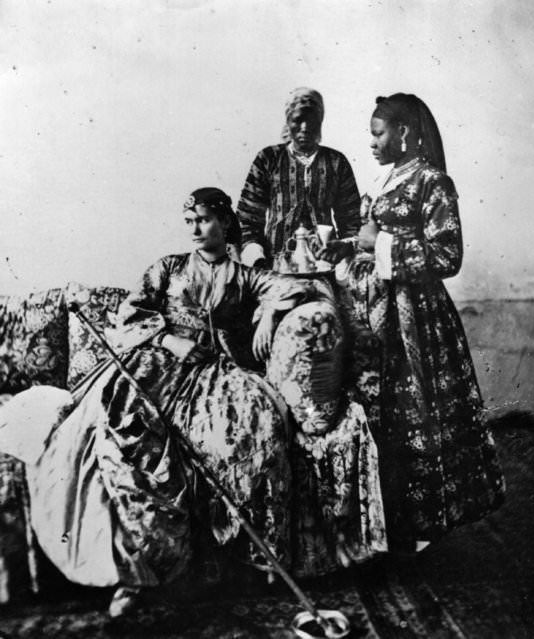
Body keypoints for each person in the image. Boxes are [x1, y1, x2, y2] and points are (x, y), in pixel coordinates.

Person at [24, 188, 315, 617]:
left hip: (212, 373)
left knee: (251, 431)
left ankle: (231, 562)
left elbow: (297, 286)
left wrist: (270, 312)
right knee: (125, 434)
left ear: (226, 223)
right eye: (190, 221)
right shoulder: (168, 267)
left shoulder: (246, 276)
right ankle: (141, 569)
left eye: (204, 220)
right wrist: (169, 338)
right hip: (156, 363)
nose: (196, 229)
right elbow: (132, 313)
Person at [339, 93, 505, 552]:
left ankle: (417, 527)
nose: (371, 143)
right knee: (374, 412)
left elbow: (447, 255)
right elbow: (369, 240)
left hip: (415, 320)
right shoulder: (387, 179)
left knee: (412, 416)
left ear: (405, 133)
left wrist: (381, 244)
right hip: (371, 314)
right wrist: (353, 247)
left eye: (379, 133)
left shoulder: (434, 183)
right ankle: (380, 523)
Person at [236, 87, 361, 270]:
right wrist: (257, 259)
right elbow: (247, 219)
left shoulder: (336, 162)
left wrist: (342, 253)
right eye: (298, 120)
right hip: (274, 266)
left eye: (312, 121)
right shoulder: (268, 158)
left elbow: (352, 221)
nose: (305, 128)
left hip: (325, 266)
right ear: (287, 121)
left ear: (320, 122)